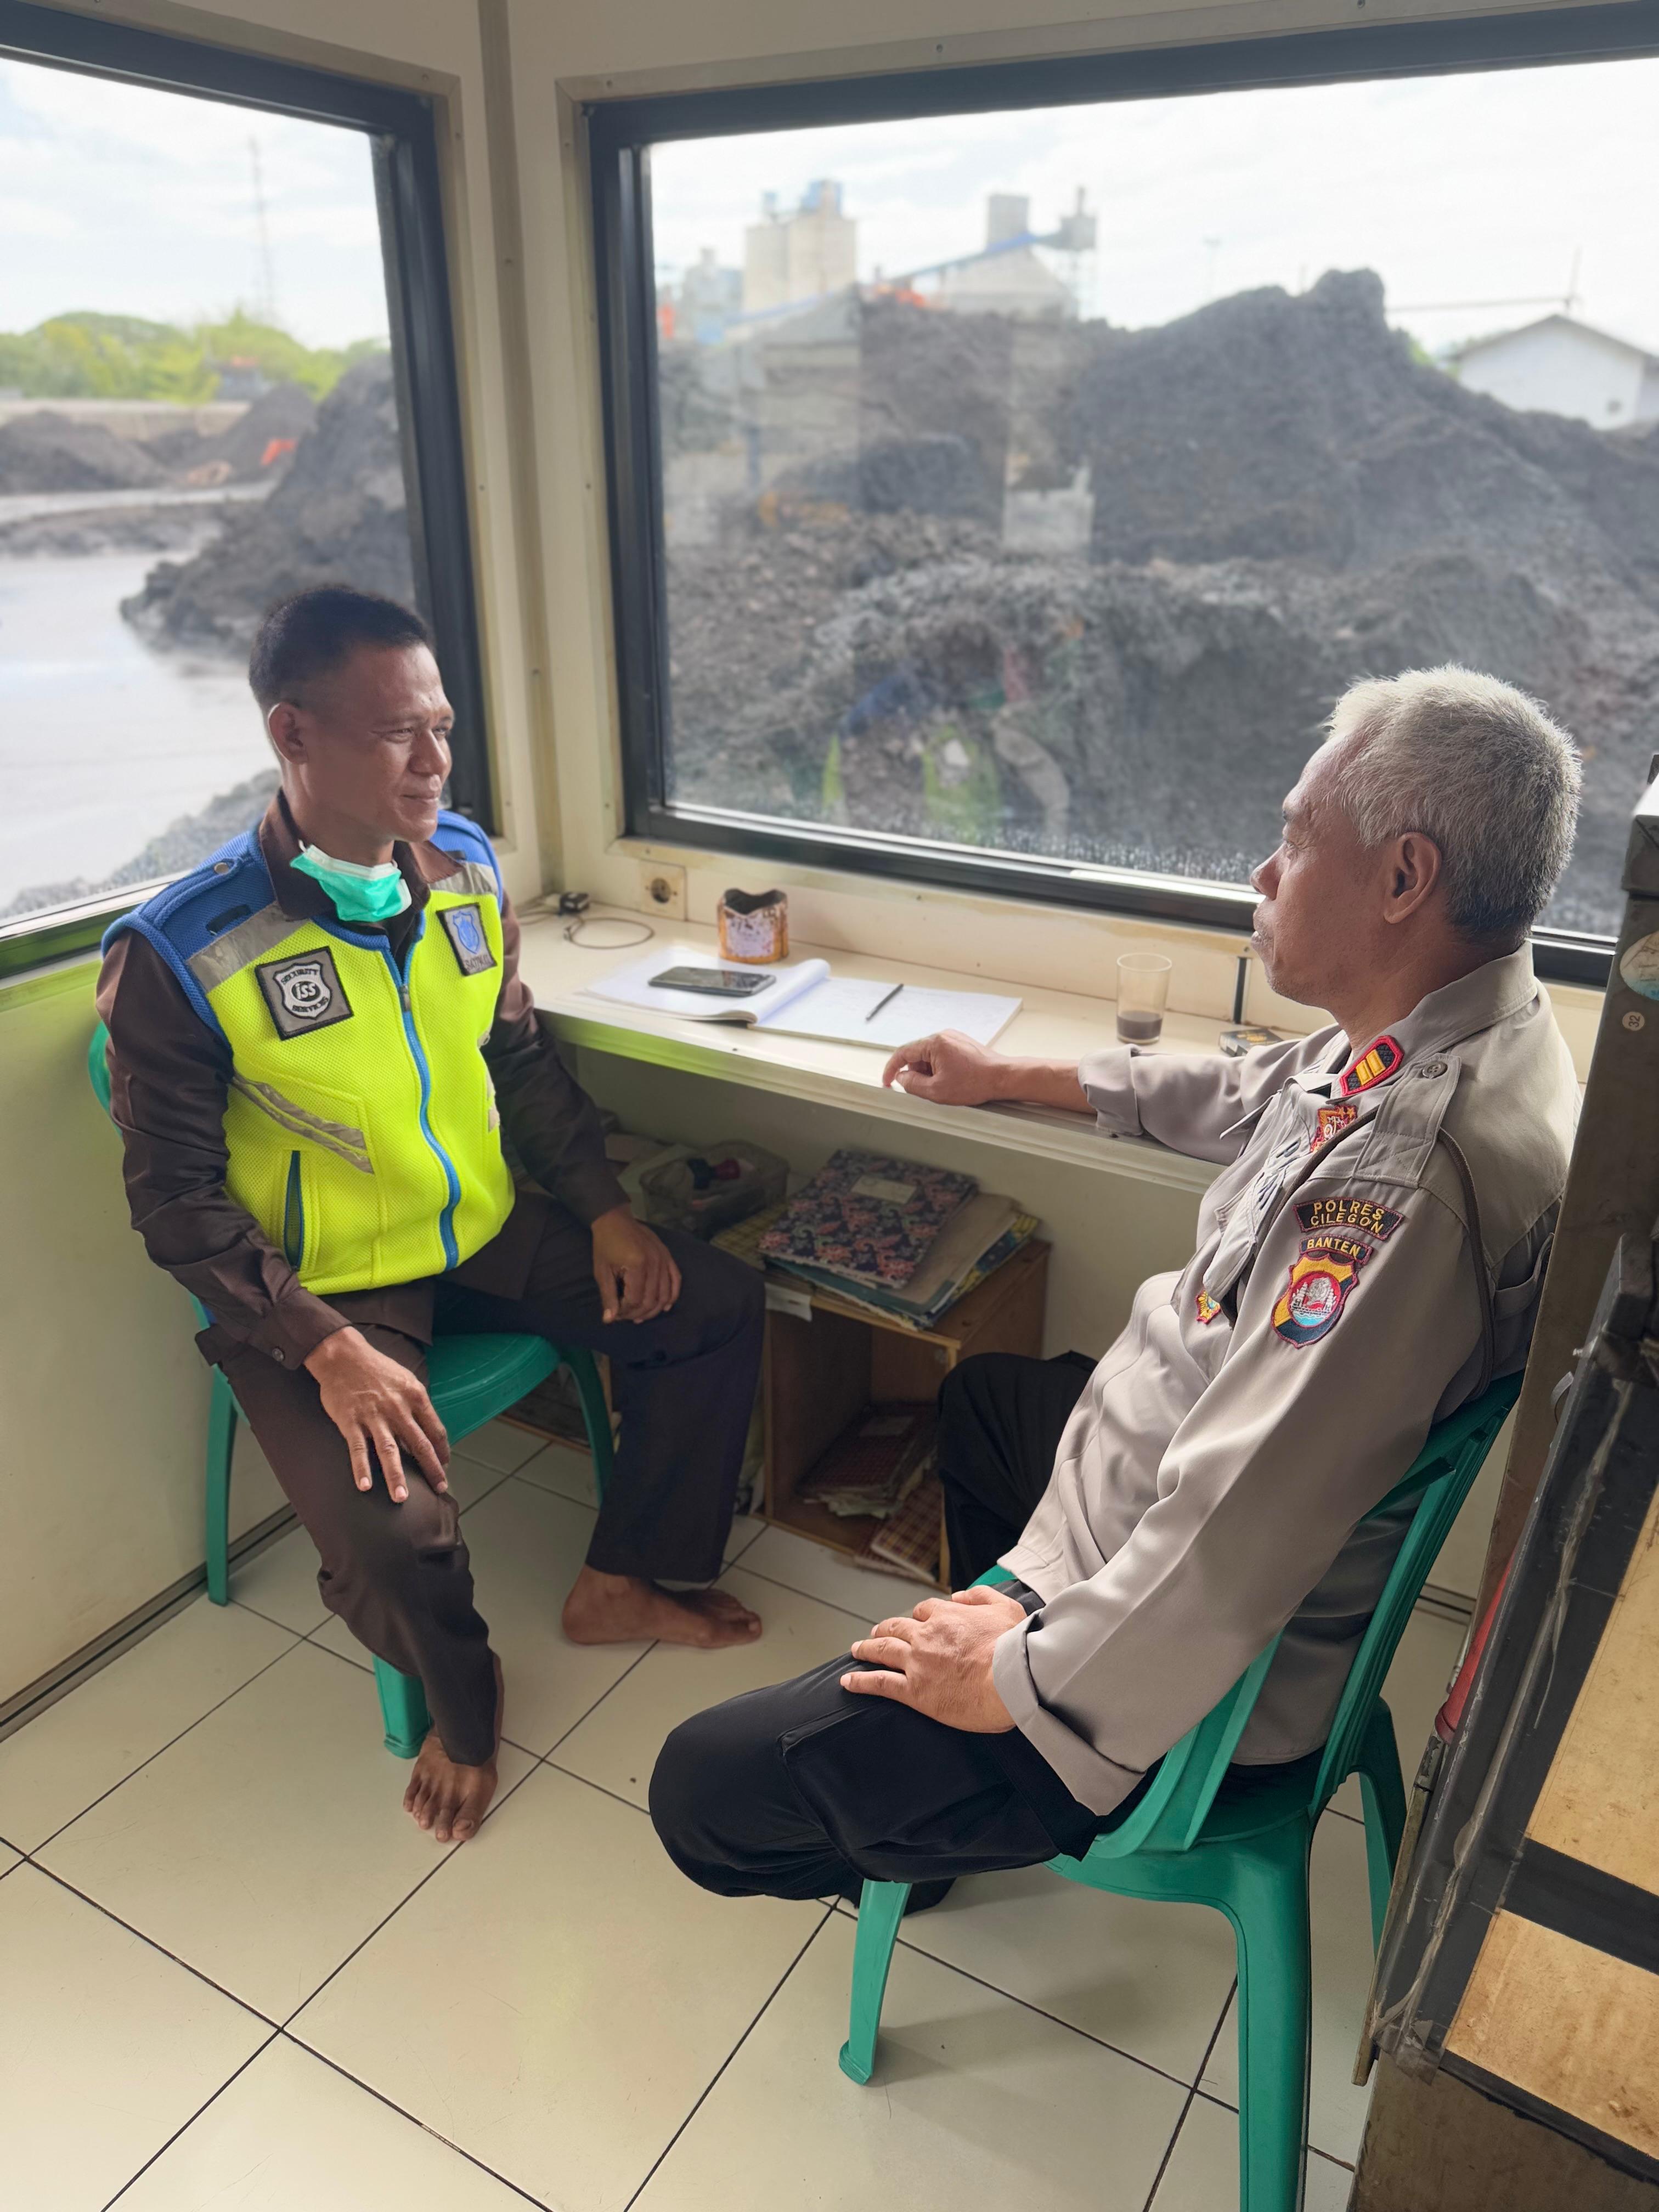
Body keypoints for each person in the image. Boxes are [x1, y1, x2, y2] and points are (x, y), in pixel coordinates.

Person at [650, 665, 1582, 1909]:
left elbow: (1243, 1528)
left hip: (1187, 1666)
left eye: (1297, 839)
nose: (1265, 871)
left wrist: (1018, 1674)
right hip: (1154, 1498)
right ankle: (943, 1787)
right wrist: (1008, 1077)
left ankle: (993, 1755)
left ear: (1405, 878)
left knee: (701, 1791)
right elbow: (1255, 1093)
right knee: (986, 1404)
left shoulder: (1406, 1188)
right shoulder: (1464, 1026)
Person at [99, 585, 765, 1847]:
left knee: (714, 1305)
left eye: (443, 727)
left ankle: (621, 1581)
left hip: (481, 1229)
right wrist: (322, 1346)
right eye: (398, 732)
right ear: (293, 734)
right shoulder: (184, 949)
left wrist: (604, 1209)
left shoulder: (463, 867)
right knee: (394, 1541)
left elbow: (517, 1060)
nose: (435, 760)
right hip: (319, 1290)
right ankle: (468, 1706)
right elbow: (174, 1203)